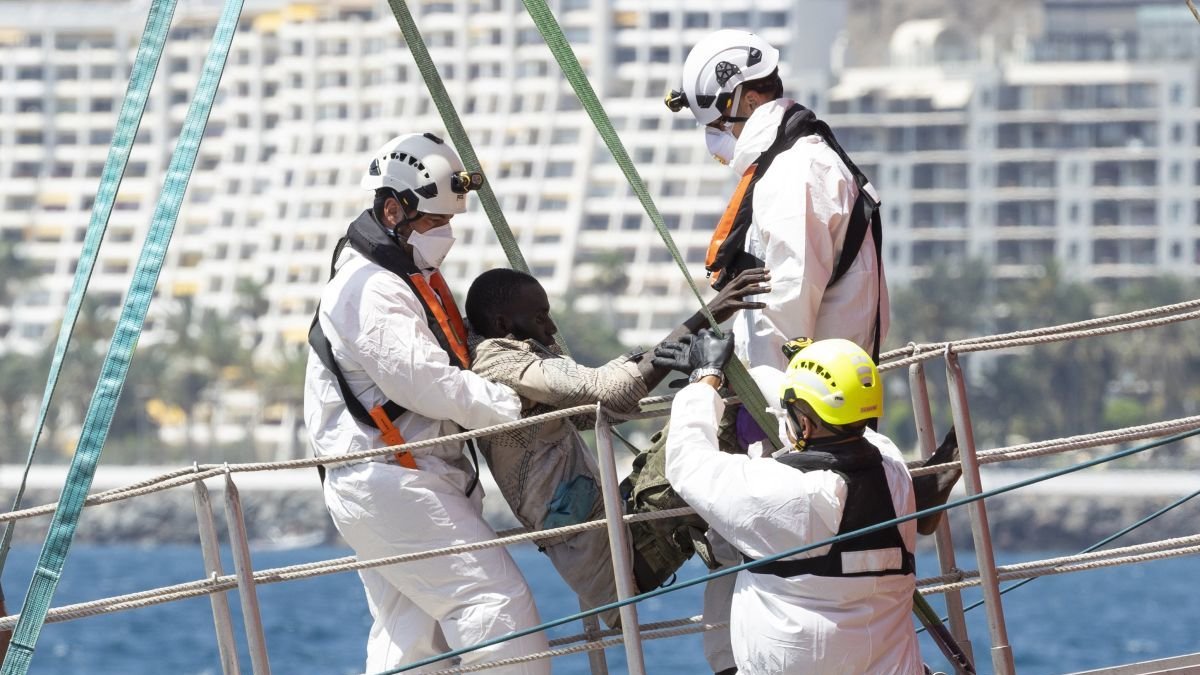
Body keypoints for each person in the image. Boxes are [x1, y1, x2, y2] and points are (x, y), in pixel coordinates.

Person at [304, 133, 549, 674]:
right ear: (393, 209)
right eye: (434, 223)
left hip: (397, 479)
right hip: (393, 481)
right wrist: (515, 405)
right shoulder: (372, 289)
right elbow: (425, 383)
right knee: (496, 607)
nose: (446, 235)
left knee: (411, 638)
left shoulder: (400, 279)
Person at [464, 266, 770, 626]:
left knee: (704, 412)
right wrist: (710, 315)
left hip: (618, 533)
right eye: (539, 317)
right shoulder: (499, 363)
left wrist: (680, 357)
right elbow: (609, 393)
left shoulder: (513, 360)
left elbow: (598, 407)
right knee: (719, 420)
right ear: (503, 326)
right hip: (618, 562)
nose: (551, 328)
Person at [655, 331, 923, 674]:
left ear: (806, 425)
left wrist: (705, 377)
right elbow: (850, 433)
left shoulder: (787, 494)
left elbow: (689, 465)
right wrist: (805, 369)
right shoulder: (895, 473)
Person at [666, 29, 888, 369]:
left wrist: (711, 375)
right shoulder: (797, 163)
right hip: (809, 396)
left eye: (719, 124)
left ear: (751, 102)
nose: (716, 139)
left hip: (799, 407)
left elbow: (782, 326)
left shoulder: (794, 175)